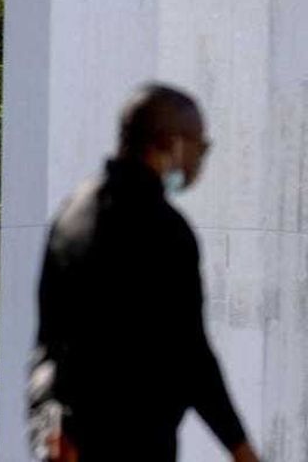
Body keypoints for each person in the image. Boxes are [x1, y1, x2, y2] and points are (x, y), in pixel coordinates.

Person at [29, 83, 260, 462]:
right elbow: (192, 356)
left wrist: (48, 430)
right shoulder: (166, 230)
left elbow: (46, 347)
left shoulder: (69, 217)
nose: (198, 160)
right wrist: (241, 448)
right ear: (172, 143)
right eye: (199, 146)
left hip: (68, 446)